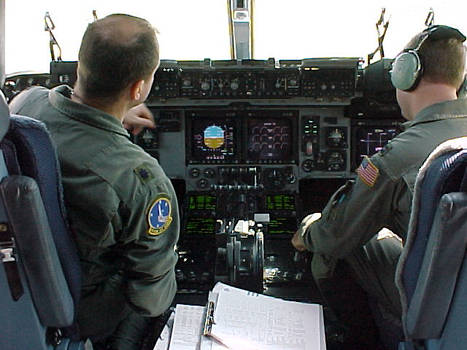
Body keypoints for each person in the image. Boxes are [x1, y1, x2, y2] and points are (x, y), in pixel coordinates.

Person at [9, 14, 179, 350]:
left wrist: (110, 115)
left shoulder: (25, 106)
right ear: (138, 88)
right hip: (81, 308)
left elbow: (62, 111)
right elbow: (151, 300)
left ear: (80, 66)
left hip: (21, 278)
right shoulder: (141, 180)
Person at [292, 25, 467, 349]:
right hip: (461, 299)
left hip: (434, 303)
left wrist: (308, 231)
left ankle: (360, 340)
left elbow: (337, 235)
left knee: (338, 243)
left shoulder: (397, 158)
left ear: (405, 74)